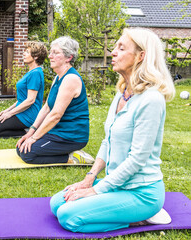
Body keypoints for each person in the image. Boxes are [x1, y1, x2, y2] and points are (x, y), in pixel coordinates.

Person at [50, 28, 176, 233]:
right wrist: (89, 178)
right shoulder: (122, 94)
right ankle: (125, 210)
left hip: (141, 192)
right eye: (114, 46)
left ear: (140, 56)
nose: (112, 52)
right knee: (57, 203)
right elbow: (107, 141)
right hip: (118, 185)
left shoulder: (151, 99)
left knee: (68, 217)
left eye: (121, 47)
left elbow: (136, 160)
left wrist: (95, 191)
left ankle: (143, 218)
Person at [16, 36, 89, 164]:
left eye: (55, 53)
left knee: (27, 153)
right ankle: (66, 153)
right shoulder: (58, 77)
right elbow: (47, 108)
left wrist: (34, 138)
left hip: (71, 136)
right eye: (51, 52)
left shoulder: (70, 79)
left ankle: (72, 158)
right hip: (57, 131)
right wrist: (31, 132)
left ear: (69, 57)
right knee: (21, 147)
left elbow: (55, 115)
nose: (50, 56)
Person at [0, 41, 47, 137]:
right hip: (21, 111)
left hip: (28, 115)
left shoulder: (35, 73)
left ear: (35, 57)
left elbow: (30, 100)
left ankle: (26, 132)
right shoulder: (30, 72)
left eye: (27, 52)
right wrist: (6, 111)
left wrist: (10, 114)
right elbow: (22, 99)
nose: (24, 53)